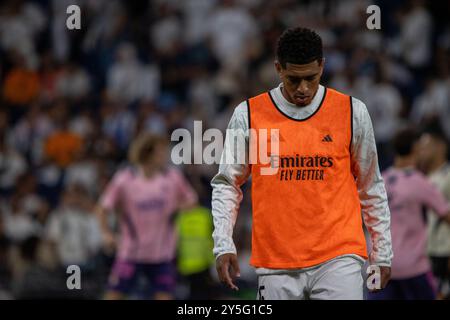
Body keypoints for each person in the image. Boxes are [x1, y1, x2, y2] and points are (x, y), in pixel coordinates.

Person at [211, 27, 393, 300]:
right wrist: (223, 244)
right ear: (278, 69)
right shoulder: (249, 115)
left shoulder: (351, 111)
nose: (303, 88)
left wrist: (382, 253)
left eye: (311, 77)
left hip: (339, 257)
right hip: (276, 263)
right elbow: (227, 184)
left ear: (322, 65)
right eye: (294, 79)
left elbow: (371, 187)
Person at [96, 133, 198, 300]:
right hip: (130, 252)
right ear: (147, 153)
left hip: (162, 253)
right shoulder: (125, 179)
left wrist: (176, 207)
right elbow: (102, 208)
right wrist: (106, 234)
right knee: (114, 294)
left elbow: (192, 201)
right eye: (161, 151)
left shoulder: (172, 177)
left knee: (164, 296)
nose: (165, 154)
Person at [369, 128, 450, 300]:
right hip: (412, 267)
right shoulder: (419, 182)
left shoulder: (378, 180)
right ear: (415, 149)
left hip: (377, 266)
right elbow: (446, 214)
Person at [417, 122, 450, 299]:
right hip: (425, 253)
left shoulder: (447, 177)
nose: (420, 152)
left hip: (443, 254)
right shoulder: (420, 178)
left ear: (440, 146)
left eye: (425, 147)